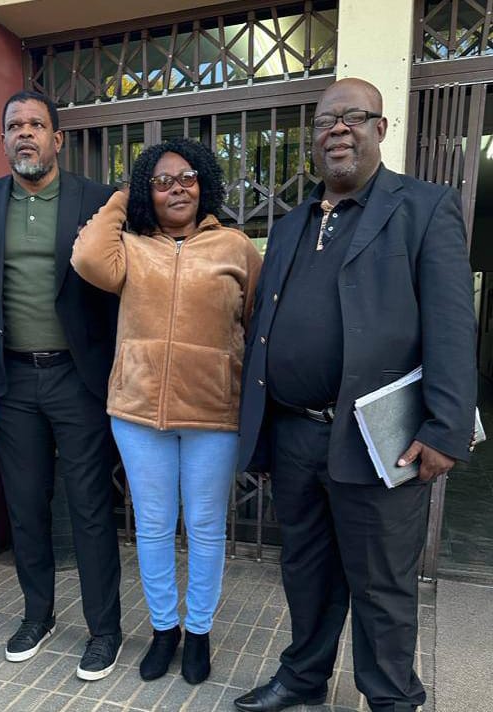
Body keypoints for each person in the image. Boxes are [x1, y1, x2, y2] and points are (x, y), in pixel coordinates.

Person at [234, 78, 477, 712]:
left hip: (379, 438)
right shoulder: (290, 225)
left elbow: (452, 324)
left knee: (382, 583)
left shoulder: (423, 207)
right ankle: (304, 676)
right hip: (295, 433)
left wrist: (445, 428)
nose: (337, 130)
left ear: (380, 128)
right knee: (305, 571)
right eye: (324, 121)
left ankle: (392, 697)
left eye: (353, 117)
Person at [72, 137, 262, 684]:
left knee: (205, 526)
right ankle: (163, 630)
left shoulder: (235, 247)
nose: (176, 189)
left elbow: (254, 325)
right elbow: (86, 257)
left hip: (212, 413)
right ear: (146, 192)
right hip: (137, 411)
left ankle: (198, 631)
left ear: (204, 183)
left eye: (187, 178)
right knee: (154, 527)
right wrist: (122, 198)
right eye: (160, 181)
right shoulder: (130, 248)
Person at [0, 91, 122, 681]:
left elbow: (119, 286)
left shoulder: (97, 199)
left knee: (89, 507)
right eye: (14, 126)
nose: (24, 134)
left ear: (57, 139)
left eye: (36, 124)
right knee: (26, 507)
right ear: (3, 139)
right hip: (13, 383)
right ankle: (38, 614)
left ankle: (104, 629)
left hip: (77, 379)